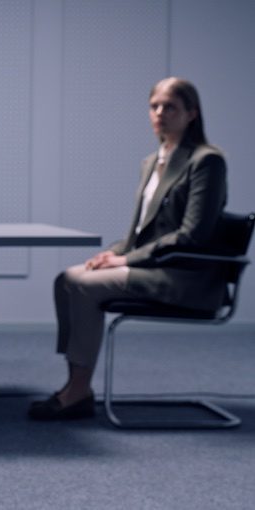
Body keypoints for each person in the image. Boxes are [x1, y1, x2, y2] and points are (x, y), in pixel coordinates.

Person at [28, 77, 228, 421]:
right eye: (154, 106)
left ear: (192, 113)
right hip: (151, 263)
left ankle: (77, 391)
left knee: (85, 286)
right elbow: (141, 232)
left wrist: (125, 259)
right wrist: (112, 253)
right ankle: (75, 382)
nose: (160, 113)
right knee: (66, 279)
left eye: (170, 107)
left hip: (184, 273)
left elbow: (191, 236)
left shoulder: (206, 161)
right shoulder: (152, 161)